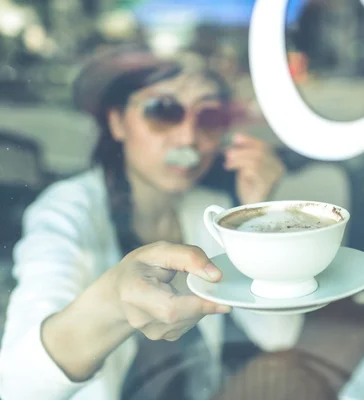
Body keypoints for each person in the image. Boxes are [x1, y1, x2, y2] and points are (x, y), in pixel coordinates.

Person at [0, 45, 304, 400]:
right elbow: (16, 384)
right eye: (162, 110)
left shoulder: (211, 209)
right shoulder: (65, 211)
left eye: (208, 118)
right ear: (116, 122)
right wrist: (113, 301)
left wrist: (258, 217)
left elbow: (278, 334)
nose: (188, 137)